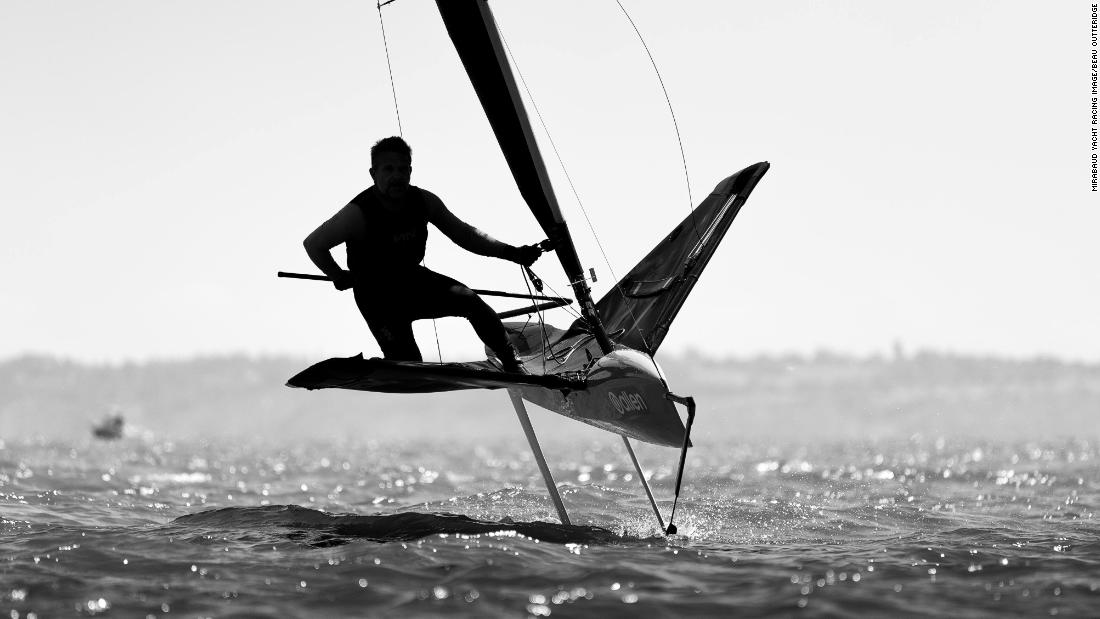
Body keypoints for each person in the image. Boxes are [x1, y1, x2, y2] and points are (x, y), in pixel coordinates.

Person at [303, 136, 541, 372]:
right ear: (373, 173)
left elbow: (465, 235)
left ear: (410, 170)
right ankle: (384, 364)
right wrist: (336, 275)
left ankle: (511, 361)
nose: (397, 176)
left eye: (403, 169)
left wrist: (513, 253)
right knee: (411, 365)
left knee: (471, 302)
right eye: (388, 169)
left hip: (414, 281)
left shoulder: (424, 202)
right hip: (377, 296)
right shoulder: (357, 214)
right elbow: (313, 244)